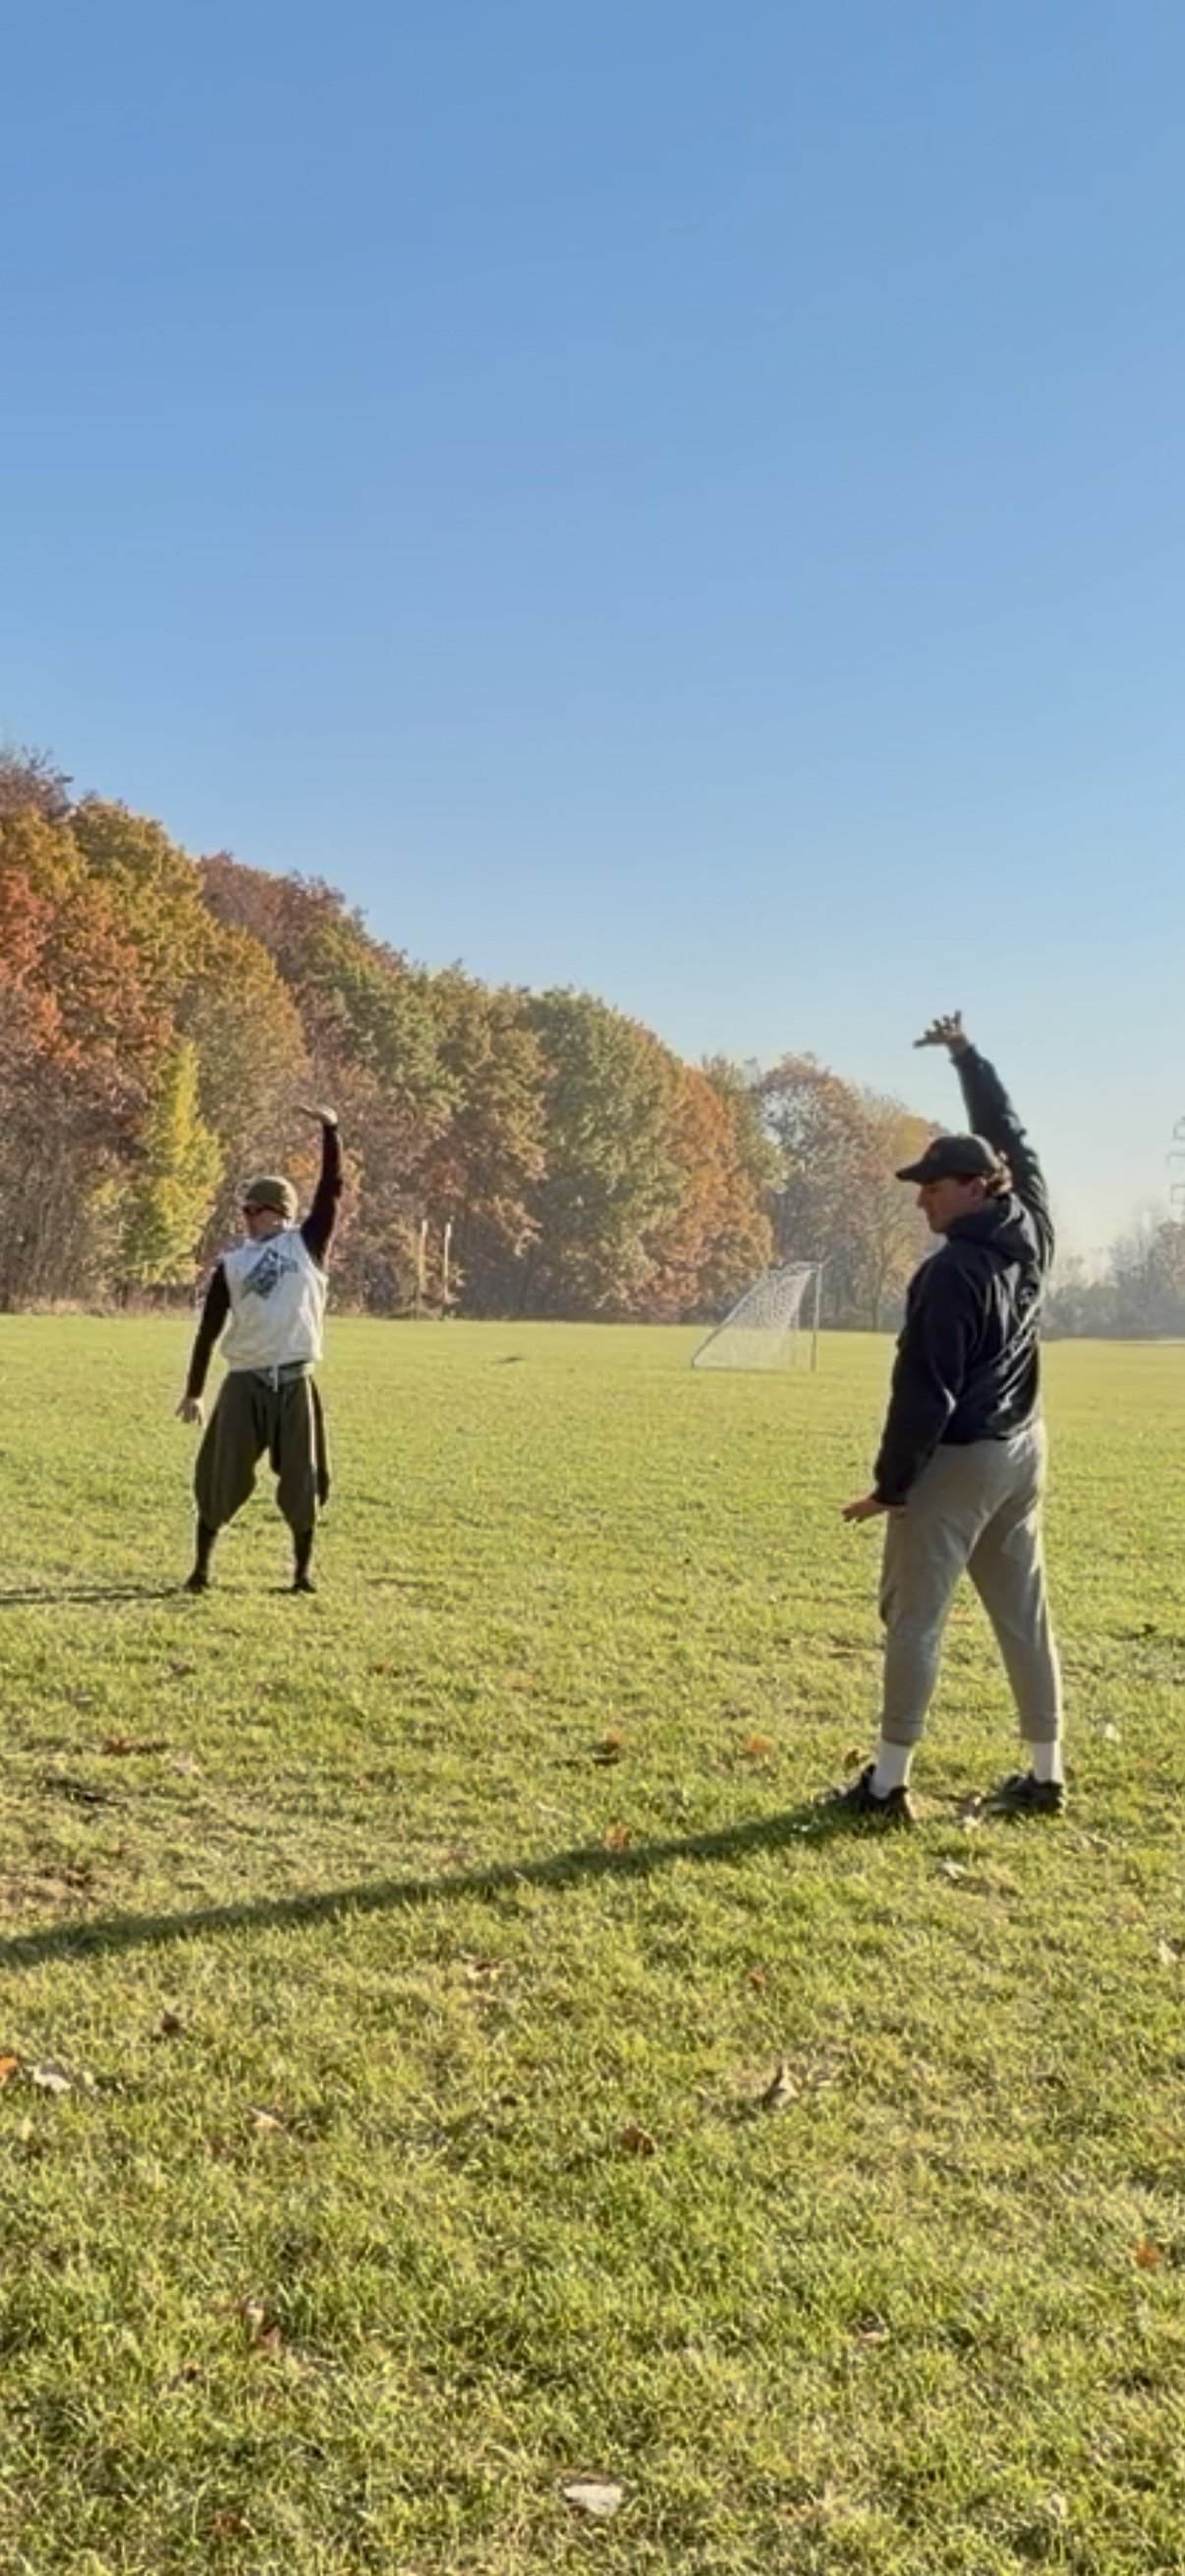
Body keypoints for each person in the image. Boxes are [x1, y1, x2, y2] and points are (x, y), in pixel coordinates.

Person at [834, 1014, 1063, 1823]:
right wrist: (968, 1059)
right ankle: (1047, 1774)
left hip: (960, 1460)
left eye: (933, 1186)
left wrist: (890, 1488)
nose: (921, 1199)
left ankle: (886, 1786)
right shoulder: (1032, 1226)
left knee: (913, 1618)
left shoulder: (950, 1273)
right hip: (1022, 1451)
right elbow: (1010, 1134)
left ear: (975, 1186)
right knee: (1023, 1613)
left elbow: (923, 1392)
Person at [176, 1106, 343, 1595]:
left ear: (279, 1212)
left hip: (293, 1380)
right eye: (244, 1210)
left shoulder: (306, 1246)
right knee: (219, 1476)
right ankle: (200, 1571)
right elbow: (208, 1331)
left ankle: (302, 1575)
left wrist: (330, 1131)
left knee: (301, 1481)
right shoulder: (232, 1265)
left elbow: (331, 1191)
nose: (246, 1218)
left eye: (255, 1210)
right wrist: (194, 1391)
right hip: (244, 1381)